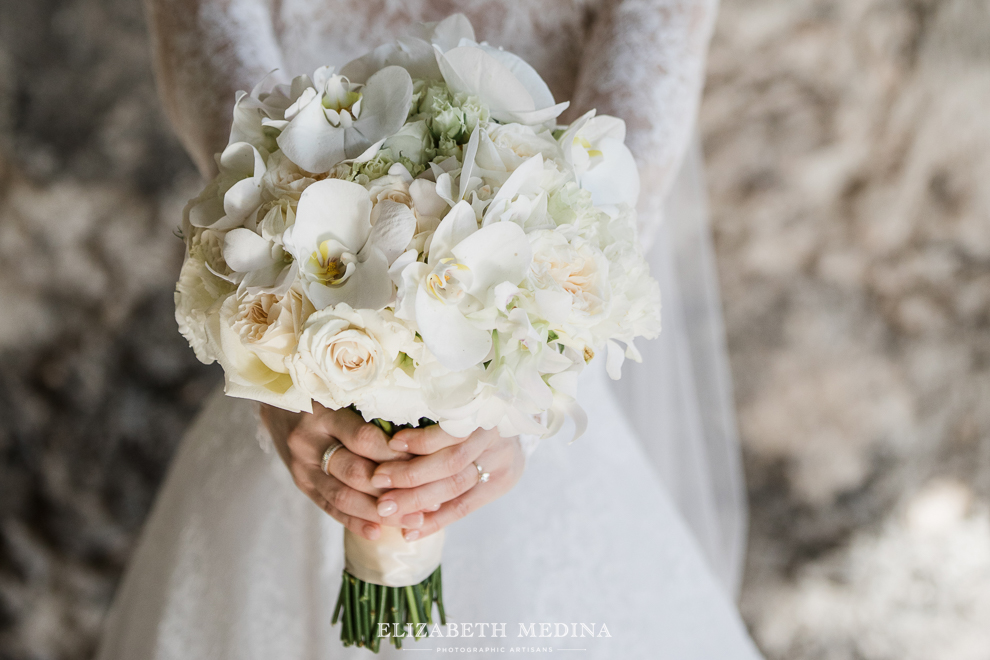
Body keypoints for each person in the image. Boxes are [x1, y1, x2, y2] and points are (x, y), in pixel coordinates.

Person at [96, 2, 762, 658]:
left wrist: (523, 394)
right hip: (304, 394)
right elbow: (236, 128)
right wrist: (280, 366)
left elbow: (622, 168)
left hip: (518, 392)